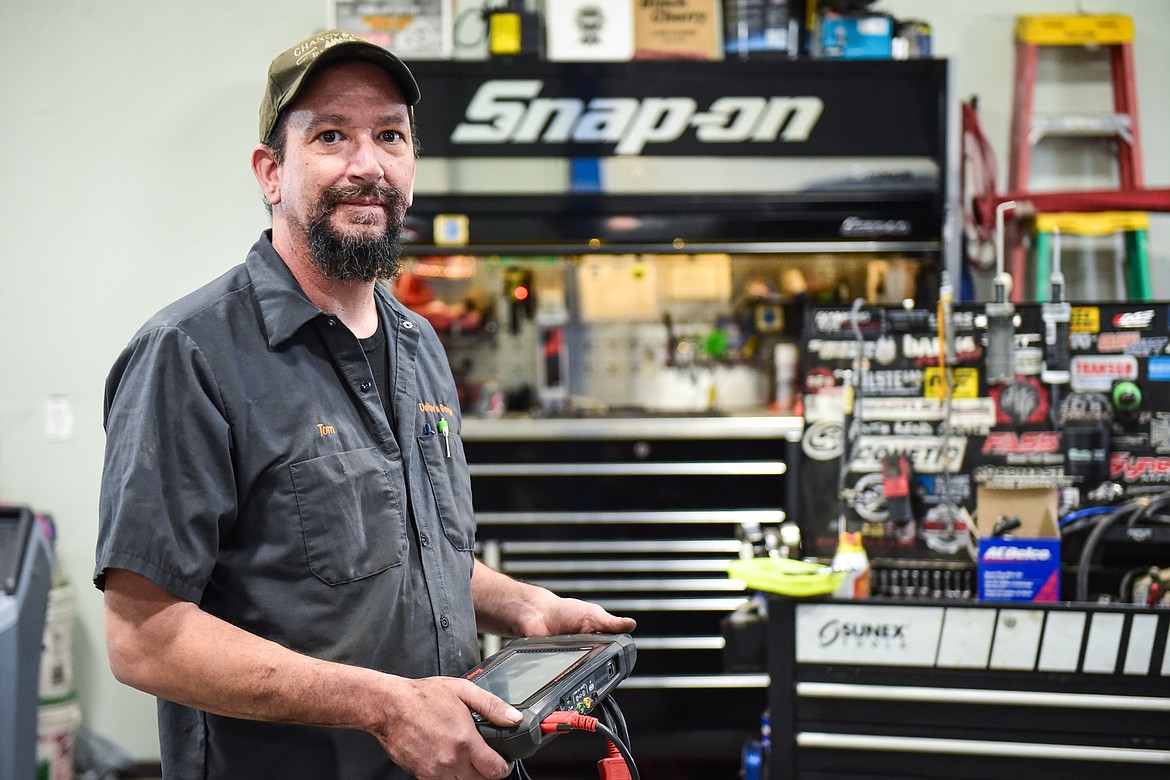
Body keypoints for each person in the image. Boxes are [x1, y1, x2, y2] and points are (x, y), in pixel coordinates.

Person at [94, 29, 635, 780]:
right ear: (271, 173)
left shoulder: (418, 342)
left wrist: (520, 607)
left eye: (389, 135)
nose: (367, 165)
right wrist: (384, 706)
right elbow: (143, 636)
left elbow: (401, 549)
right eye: (329, 136)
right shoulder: (188, 353)